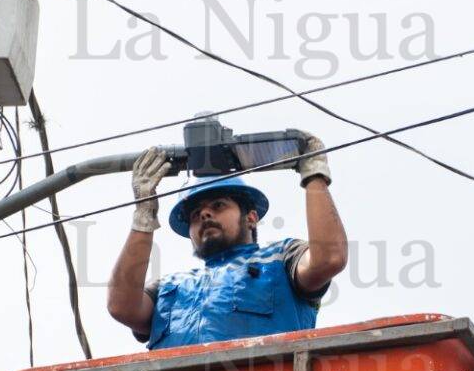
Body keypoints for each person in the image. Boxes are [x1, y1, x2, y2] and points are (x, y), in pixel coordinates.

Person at [106, 136, 348, 349]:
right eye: (195, 214)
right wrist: (144, 213)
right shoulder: (170, 287)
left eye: (218, 205)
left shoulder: (281, 259)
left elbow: (329, 258)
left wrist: (314, 174)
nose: (204, 214)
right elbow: (121, 306)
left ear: (251, 218)